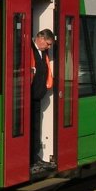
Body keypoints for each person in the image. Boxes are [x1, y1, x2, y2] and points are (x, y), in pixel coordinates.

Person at [30, 28, 55, 171]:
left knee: (35, 127)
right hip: (27, 97)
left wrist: (44, 90)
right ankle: (30, 158)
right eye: (48, 44)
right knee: (30, 128)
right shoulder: (28, 49)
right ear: (40, 38)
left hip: (37, 97)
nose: (49, 47)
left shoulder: (43, 52)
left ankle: (34, 157)